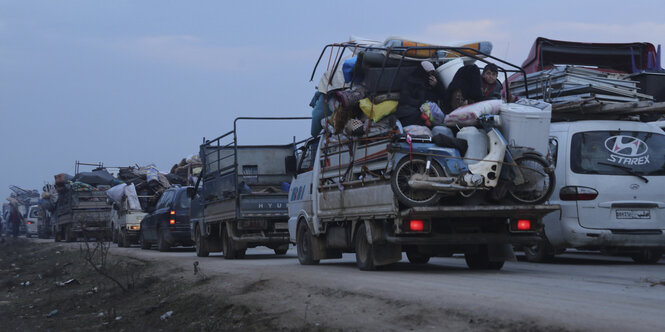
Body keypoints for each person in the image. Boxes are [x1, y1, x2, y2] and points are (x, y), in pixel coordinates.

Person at [394, 60, 446, 127]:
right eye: (428, 73)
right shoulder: (410, 81)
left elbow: (442, 96)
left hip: (426, 110)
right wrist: (422, 103)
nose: (430, 76)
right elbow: (405, 99)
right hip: (410, 111)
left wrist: (437, 86)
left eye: (431, 74)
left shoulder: (430, 82)